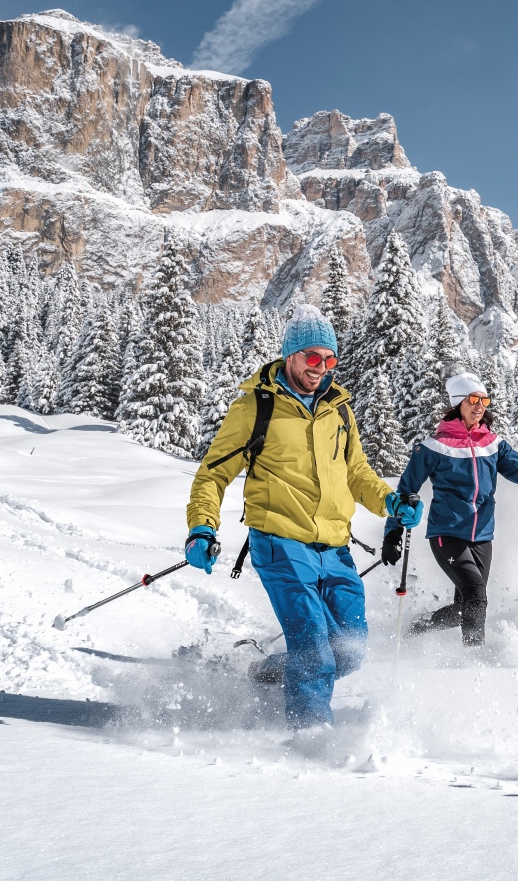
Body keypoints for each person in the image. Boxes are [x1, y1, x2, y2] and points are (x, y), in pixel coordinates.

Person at [184, 304, 424, 729]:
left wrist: (390, 501)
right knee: (314, 647)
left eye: (330, 359)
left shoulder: (339, 410)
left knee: (349, 650)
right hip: (280, 544)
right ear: (291, 355)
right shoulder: (255, 409)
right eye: (313, 358)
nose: (322, 368)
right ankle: (310, 737)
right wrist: (202, 526)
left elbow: (356, 473)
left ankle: (267, 673)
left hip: (335, 548)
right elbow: (213, 473)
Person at [384, 371, 518, 646]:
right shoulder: (433, 447)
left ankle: (419, 627)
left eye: (484, 399)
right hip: (446, 533)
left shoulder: (493, 444)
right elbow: (405, 491)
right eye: (473, 399)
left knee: (465, 607)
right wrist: (393, 533)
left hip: (483, 536)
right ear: (457, 403)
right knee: (476, 594)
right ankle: (473, 660)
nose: (480, 405)